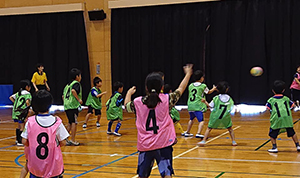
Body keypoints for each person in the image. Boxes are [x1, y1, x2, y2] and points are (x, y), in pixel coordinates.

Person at [125, 64, 193, 178]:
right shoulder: (167, 99)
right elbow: (181, 89)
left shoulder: (137, 102)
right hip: (163, 144)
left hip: (145, 145)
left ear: (146, 87)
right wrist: (188, 74)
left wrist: (128, 93)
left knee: (142, 175)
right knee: (167, 174)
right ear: (161, 87)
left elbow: (127, 106)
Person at [21, 90, 69, 178]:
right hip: (53, 165)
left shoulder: (30, 121)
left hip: (35, 165)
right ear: (50, 104)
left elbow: (24, 141)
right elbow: (64, 142)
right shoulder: (56, 121)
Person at [198, 81, 237, 146]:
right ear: (227, 89)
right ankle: (233, 141)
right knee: (230, 129)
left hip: (215, 117)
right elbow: (231, 107)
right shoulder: (229, 98)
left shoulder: (216, 98)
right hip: (225, 117)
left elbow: (210, 106)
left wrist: (205, 101)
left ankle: (204, 141)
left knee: (209, 128)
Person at [266, 80, 300, 153]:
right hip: (287, 119)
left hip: (276, 119)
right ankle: (298, 146)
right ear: (283, 90)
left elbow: (268, 109)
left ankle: (274, 147)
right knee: (292, 132)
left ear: (273, 91)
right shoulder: (286, 99)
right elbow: (293, 106)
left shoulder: (271, 100)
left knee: (272, 134)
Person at [184, 70, 216, 138]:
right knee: (201, 121)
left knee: (191, 119)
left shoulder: (190, 85)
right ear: (201, 78)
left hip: (190, 105)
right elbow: (208, 92)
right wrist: (214, 89)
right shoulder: (203, 86)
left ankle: (187, 132)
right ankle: (198, 133)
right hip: (198, 105)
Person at [63, 68, 82, 146]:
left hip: (67, 105)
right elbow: (73, 91)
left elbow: (63, 96)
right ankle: (73, 140)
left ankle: (65, 139)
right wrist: (79, 100)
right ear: (77, 76)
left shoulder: (67, 85)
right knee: (74, 122)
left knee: (70, 122)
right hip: (72, 105)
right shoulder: (76, 83)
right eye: (80, 75)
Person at [9, 80, 32, 146]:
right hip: (22, 112)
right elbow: (27, 102)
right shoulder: (27, 94)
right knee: (22, 126)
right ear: (27, 87)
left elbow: (11, 97)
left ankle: (17, 140)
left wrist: (16, 105)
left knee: (19, 126)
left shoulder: (19, 93)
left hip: (15, 111)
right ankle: (20, 141)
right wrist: (28, 108)